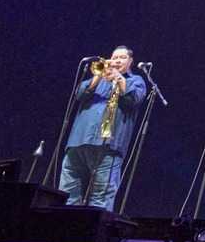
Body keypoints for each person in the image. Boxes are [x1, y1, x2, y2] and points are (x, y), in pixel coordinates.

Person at [60, 47, 147, 210]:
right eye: (114, 57)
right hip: (78, 141)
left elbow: (134, 99)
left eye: (122, 57)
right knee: (67, 194)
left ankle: (96, 226)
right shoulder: (98, 79)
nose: (117, 60)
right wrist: (98, 76)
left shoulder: (136, 81)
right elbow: (79, 95)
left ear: (130, 62)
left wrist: (119, 78)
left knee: (101, 197)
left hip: (108, 146)